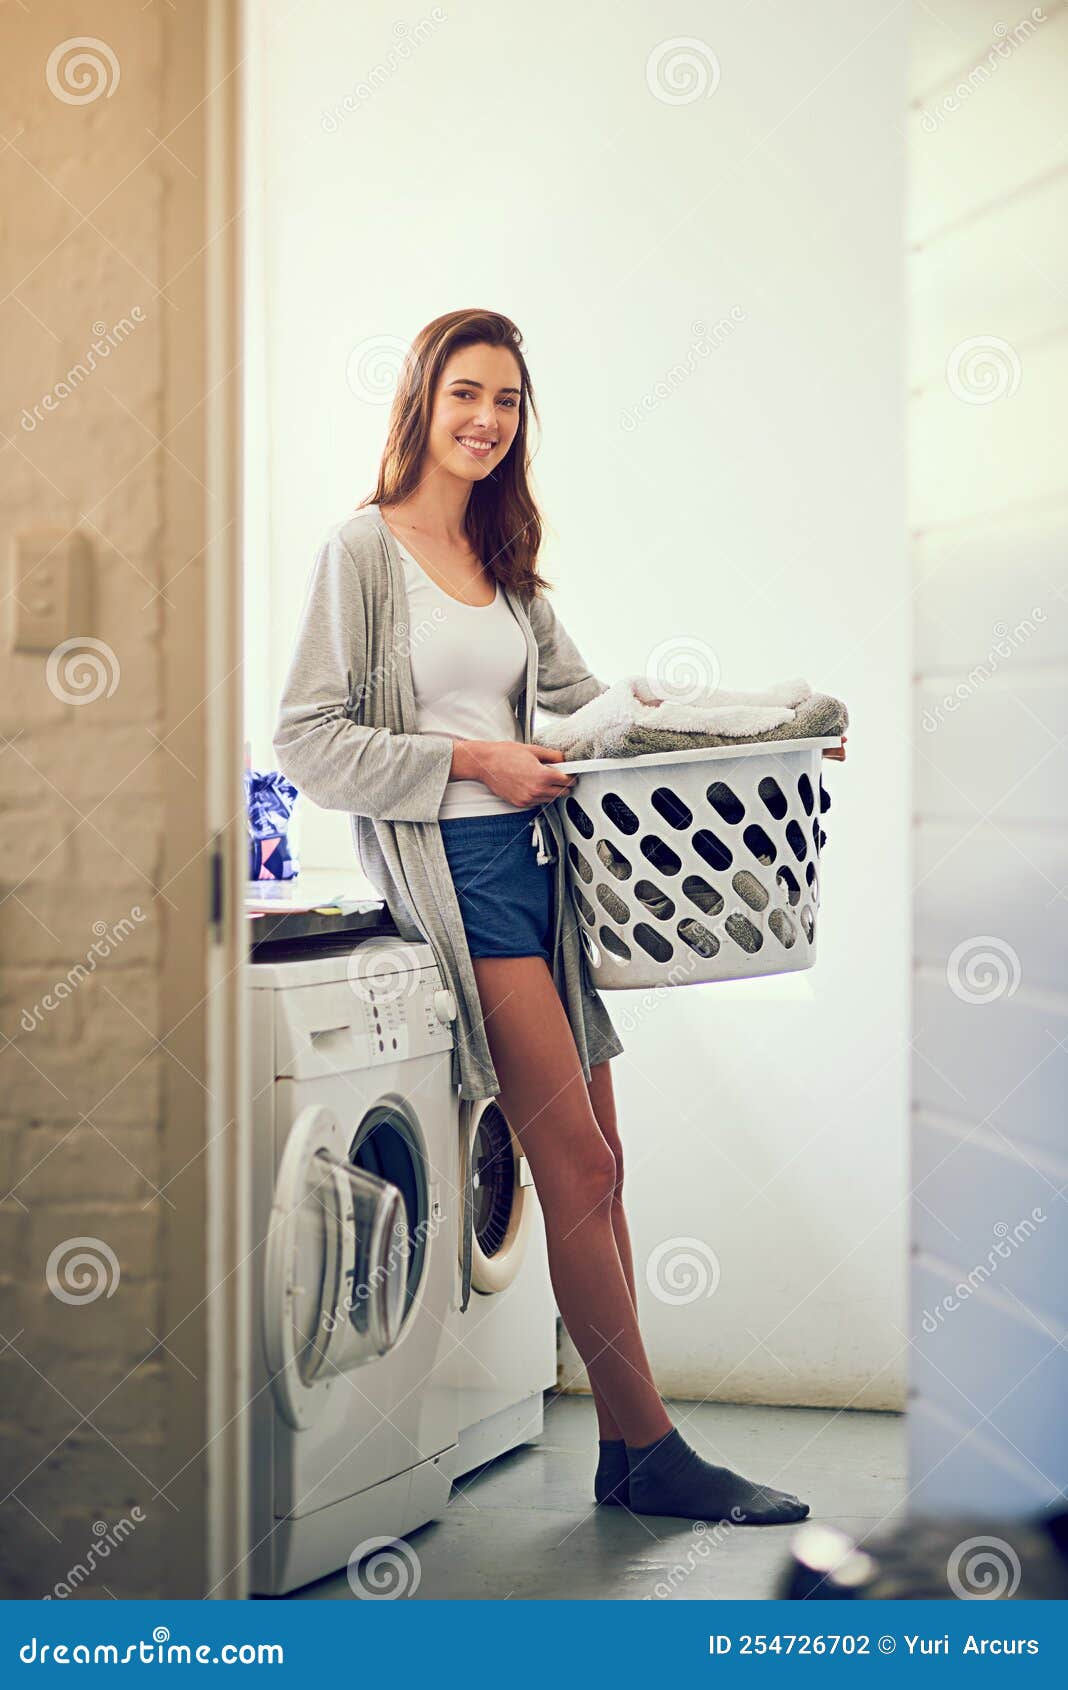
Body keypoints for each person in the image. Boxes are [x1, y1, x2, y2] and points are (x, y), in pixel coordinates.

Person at [274, 308, 846, 1524]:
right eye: (467, 394)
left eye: (510, 401)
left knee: (604, 1169)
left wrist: (772, 725)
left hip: (547, 877)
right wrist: (478, 765)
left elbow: (594, 713)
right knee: (573, 1160)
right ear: (423, 401)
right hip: (462, 880)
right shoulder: (362, 554)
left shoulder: (507, 569)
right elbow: (310, 742)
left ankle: (631, 1454)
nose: (487, 419)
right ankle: (654, 1448)